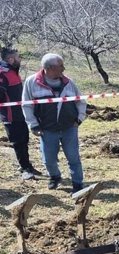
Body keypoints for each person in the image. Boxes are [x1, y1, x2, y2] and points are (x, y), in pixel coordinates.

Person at [22, 53, 86, 191]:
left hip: (69, 127)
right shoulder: (32, 83)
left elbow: (81, 101)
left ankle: (78, 184)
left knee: (73, 157)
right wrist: (33, 125)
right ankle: (55, 176)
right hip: (47, 129)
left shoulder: (69, 82)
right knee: (49, 159)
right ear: (49, 68)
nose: (63, 69)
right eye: (60, 66)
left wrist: (79, 119)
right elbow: (26, 105)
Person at [0, 48, 42, 181]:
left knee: (24, 140)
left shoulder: (13, 71)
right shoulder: (2, 74)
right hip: (10, 115)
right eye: (18, 57)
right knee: (18, 142)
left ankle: (26, 165)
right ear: (10, 59)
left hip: (21, 112)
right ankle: (25, 169)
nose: (20, 59)